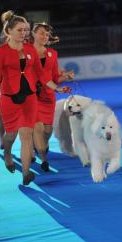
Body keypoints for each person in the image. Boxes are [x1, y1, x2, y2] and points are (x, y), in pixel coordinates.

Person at [0, 10, 68, 185]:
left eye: (26, 30)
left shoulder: (30, 49)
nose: (24, 33)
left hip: (30, 98)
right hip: (9, 99)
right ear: (8, 31)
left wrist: (57, 88)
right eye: (20, 30)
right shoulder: (1, 51)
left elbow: (41, 75)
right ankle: (7, 152)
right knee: (11, 135)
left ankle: (26, 173)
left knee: (26, 135)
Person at [31, 22, 74, 171]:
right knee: (37, 127)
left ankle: (38, 144)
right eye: (41, 33)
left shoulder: (52, 54)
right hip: (31, 95)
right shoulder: (26, 51)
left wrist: (65, 77)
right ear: (33, 34)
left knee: (48, 131)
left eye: (47, 34)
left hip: (48, 96)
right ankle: (43, 157)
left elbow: (55, 77)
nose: (44, 36)